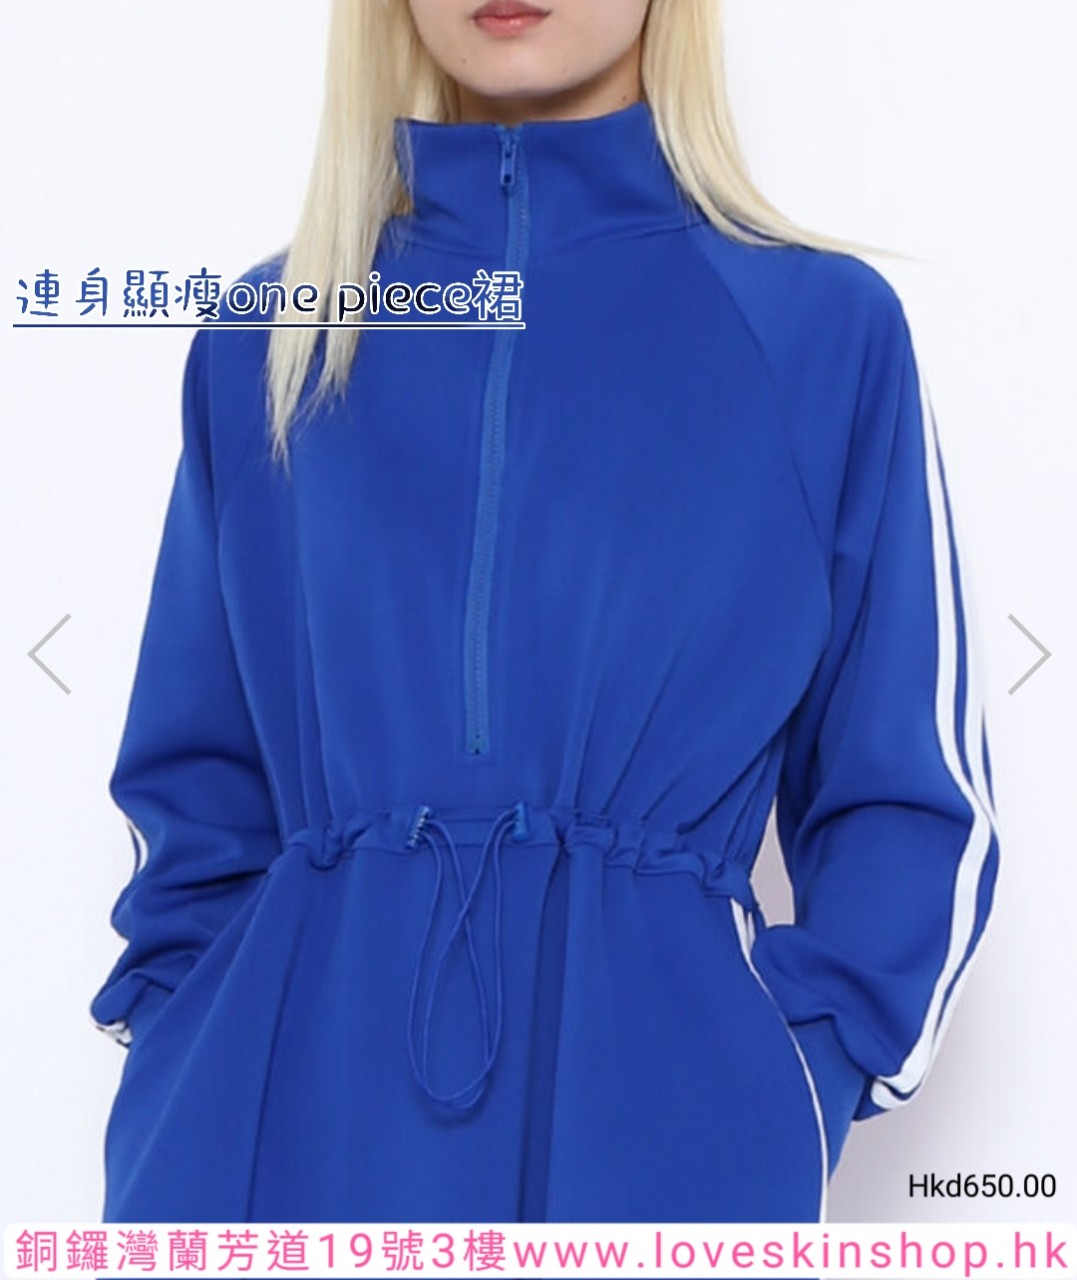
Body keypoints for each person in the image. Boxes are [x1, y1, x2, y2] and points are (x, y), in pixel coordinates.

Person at [89, 0, 1001, 1229]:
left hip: (654, 1167)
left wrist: (788, 1082)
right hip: (268, 1171)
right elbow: (194, 804)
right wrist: (176, 1065)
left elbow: (909, 800)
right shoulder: (271, 340)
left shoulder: (819, 333)